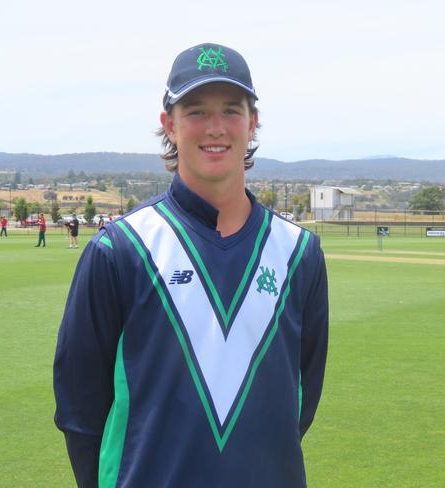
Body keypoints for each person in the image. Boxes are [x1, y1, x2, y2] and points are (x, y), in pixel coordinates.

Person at [53, 43, 328, 488]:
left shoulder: (299, 254)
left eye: (231, 110)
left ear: (253, 122)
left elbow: (299, 403)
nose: (215, 127)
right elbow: (80, 414)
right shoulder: (120, 250)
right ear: (170, 124)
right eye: (196, 111)